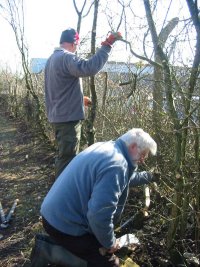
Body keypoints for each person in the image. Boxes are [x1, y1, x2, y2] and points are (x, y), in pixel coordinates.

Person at [40, 128, 157, 267]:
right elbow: (99, 215)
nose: (143, 160)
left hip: (53, 214)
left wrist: (150, 177)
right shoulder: (117, 165)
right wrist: (110, 243)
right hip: (63, 225)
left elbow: (127, 178)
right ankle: (53, 253)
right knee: (110, 263)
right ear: (132, 146)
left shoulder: (108, 148)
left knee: (98, 247)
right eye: (143, 154)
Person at [45, 27, 122, 178]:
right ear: (74, 43)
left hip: (58, 117)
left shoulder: (51, 60)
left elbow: (58, 89)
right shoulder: (66, 57)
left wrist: (79, 99)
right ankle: (63, 196)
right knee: (67, 159)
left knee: (63, 156)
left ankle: (61, 191)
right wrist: (107, 45)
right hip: (68, 120)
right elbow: (89, 67)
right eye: (77, 46)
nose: (77, 49)